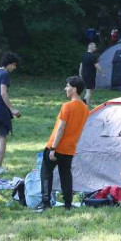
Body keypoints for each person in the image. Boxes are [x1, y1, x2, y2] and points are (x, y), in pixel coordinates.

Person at [37, 76, 90, 212]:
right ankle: (68, 204)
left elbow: (61, 128)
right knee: (66, 175)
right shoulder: (85, 108)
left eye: (67, 86)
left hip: (56, 146)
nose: (65, 89)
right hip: (70, 148)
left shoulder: (67, 106)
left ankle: (45, 202)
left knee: (46, 173)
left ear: (74, 89)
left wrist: (53, 148)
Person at [0, 53, 22, 175]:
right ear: (9, 63)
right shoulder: (4, 74)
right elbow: (3, 93)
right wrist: (12, 109)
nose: (15, 68)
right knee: (3, 138)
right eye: (14, 65)